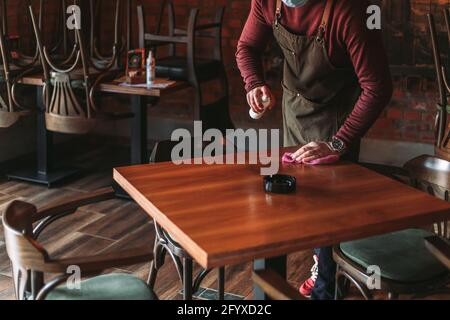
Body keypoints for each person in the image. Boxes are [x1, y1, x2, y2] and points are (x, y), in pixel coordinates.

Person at [236, 0, 393, 300]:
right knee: (293, 199)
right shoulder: (267, 2)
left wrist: (338, 142)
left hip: (336, 117)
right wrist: (253, 83)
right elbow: (247, 47)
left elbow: (378, 87)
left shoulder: (350, 11)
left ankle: (327, 283)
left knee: (330, 210)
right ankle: (292, 278)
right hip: (294, 108)